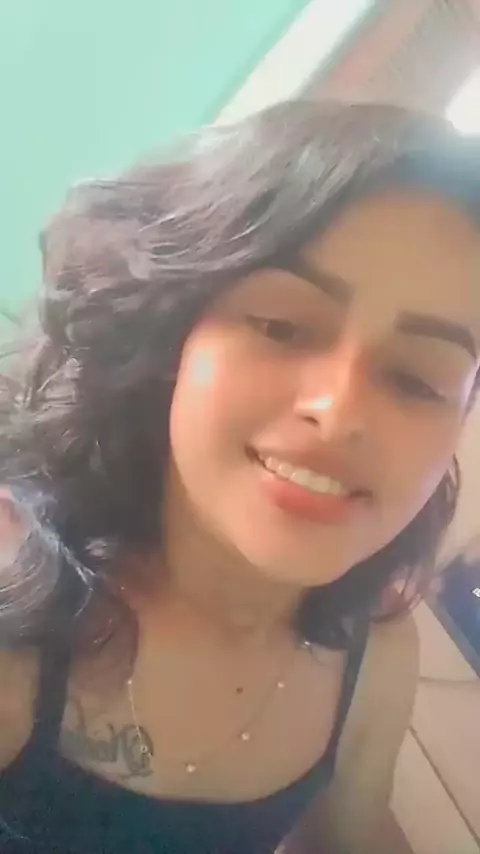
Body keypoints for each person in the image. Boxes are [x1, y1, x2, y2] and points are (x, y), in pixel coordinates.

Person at [0, 99, 479, 854]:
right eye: (281, 327)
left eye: (418, 379)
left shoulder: (374, 659)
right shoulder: (15, 610)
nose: (338, 412)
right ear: (173, 334)